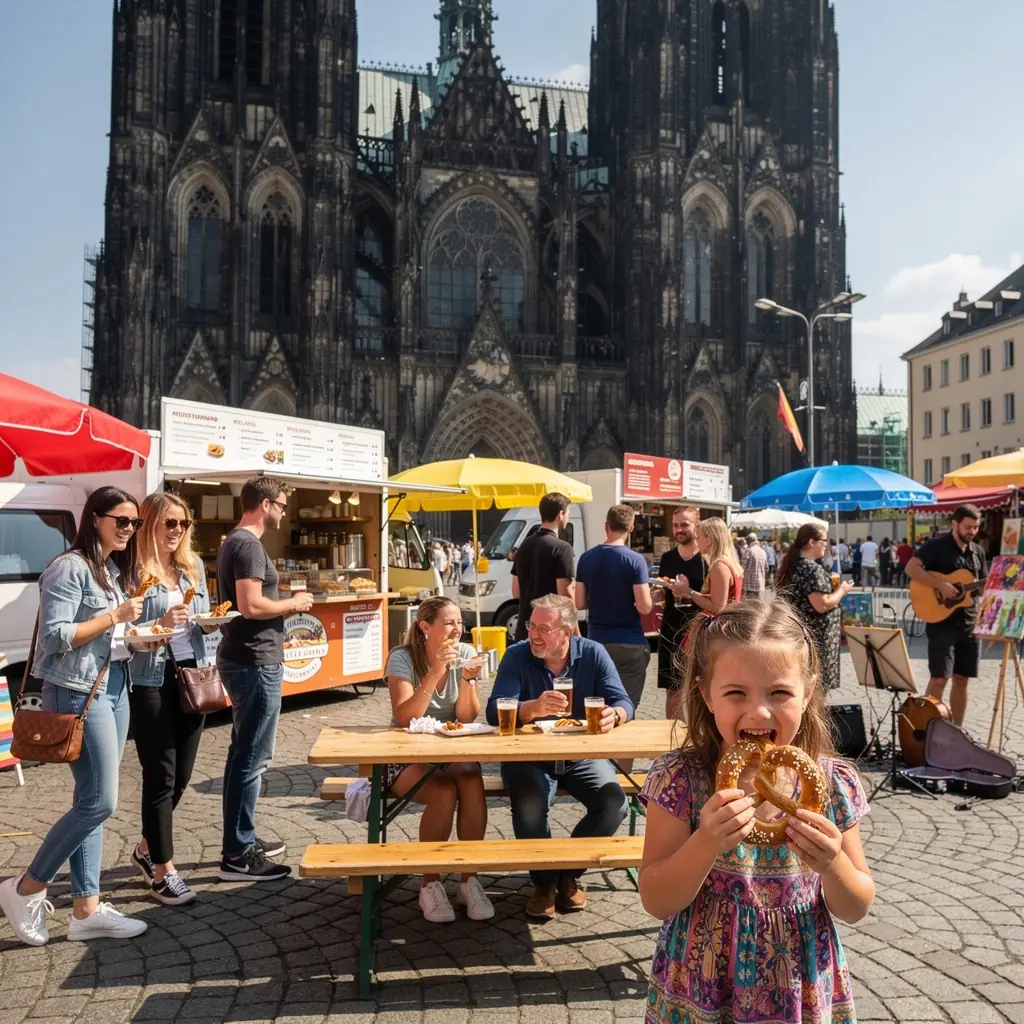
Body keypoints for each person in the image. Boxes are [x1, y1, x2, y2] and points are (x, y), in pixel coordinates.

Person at [637, 599, 874, 1024]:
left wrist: (832, 863)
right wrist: (704, 843)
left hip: (798, 982)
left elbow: (856, 906)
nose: (759, 711)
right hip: (700, 980)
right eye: (736, 693)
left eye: (780, 692)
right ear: (707, 694)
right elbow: (656, 899)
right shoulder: (681, 780)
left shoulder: (831, 784)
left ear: (808, 692)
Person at [0, 487, 149, 945]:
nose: (128, 529)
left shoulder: (106, 569)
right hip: (79, 693)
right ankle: (24, 888)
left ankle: (85, 910)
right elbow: (56, 637)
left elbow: (106, 637)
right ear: (95, 519)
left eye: (134, 523)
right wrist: (115, 616)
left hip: (114, 686)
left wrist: (139, 634)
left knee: (91, 801)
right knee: (100, 801)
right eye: (120, 521)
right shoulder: (68, 567)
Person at [486, 595, 634, 920]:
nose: (534, 635)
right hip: (530, 757)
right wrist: (531, 708)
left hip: (580, 755)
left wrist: (617, 715)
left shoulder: (593, 653)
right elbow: (494, 711)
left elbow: (623, 700)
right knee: (529, 804)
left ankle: (567, 874)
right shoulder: (516, 655)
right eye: (531, 626)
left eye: (544, 629)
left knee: (615, 803)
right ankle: (543, 884)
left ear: (566, 632)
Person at [216, 476, 314, 881]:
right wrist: (294, 603)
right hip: (255, 660)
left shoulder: (234, 542)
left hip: (246, 657)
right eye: (282, 505)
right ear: (266, 504)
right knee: (253, 760)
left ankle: (240, 841)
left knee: (243, 755)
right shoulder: (249, 545)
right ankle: (238, 856)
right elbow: (251, 604)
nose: (284, 512)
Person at [126, 493, 217, 906]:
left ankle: (146, 847)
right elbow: (125, 634)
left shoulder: (192, 566)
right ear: (148, 525)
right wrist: (159, 625)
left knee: (181, 775)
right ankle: (164, 869)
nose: (176, 531)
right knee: (160, 775)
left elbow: (204, 618)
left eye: (182, 523)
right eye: (168, 523)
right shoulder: (131, 571)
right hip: (150, 679)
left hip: (191, 676)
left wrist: (211, 623)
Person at [385, 597, 493, 923]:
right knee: (443, 791)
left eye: (459, 622)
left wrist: (469, 679)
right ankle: (430, 884)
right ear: (425, 627)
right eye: (449, 623)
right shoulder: (402, 658)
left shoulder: (464, 653)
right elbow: (404, 716)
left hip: (451, 751)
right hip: (404, 755)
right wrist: (434, 674)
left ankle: (469, 880)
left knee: (473, 780)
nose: (457, 629)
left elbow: (467, 715)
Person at [905, 505, 985, 726]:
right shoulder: (936, 547)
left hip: (969, 623)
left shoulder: (978, 552)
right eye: (968, 526)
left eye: (976, 527)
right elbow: (911, 569)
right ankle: (928, 729)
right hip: (941, 623)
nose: (972, 531)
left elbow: (983, 587)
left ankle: (957, 730)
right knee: (940, 678)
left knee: (962, 678)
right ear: (955, 524)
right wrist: (939, 585)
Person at [575, 504, 653, 714]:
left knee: (597, 705)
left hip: (597, 640)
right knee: (625, 707)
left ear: (606, 526)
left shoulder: (586, 558)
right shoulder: (636, 561)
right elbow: (645, 607)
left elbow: (579, 603)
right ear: (631, 529)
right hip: (630, 641)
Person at [776, 523, 855, 692]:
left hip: (801, 633)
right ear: (812, 542)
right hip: (818, 637)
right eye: (824, 541)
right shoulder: (812, 569)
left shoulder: (795, 564)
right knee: (816, 690)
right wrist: (842, 590)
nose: (826, 545)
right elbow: (822, 604)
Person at [656, 507, 706, 717]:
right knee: (673, 689)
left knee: (700, 690)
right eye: (675, 525)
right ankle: (673, 741)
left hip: (699, 631)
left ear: (697, 525)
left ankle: (700, 740)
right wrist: (654, 595)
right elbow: (662, 592)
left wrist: (689, 592)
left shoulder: (706, 560)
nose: (679, 530)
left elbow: (715, 600)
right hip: (671, 629)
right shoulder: (667, 558)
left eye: (684, 524)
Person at [510, 493, 575, 642]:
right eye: (568, 513)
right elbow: (565, 597)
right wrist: (576, 635)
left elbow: (516, 591)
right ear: (561, 514)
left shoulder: (524, 545)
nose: (568, 517)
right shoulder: (562, 548)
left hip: (525, 629)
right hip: (550, 631)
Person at [674, 517, 742, 615]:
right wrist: (687, 591)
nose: (696, 542)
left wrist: (688, 591)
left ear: (709, 540)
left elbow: (717, 606)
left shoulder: (720, 566)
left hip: (720, 626)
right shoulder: (726, 562)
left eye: (698, 537)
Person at [740, 532, 767, 601]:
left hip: (748, 585)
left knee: (748, 608)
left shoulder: (749, 551)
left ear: (749, 540)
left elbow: (743, 568)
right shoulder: (763, 551)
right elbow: (766, 568)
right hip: (760, 585)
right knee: (757, 607)